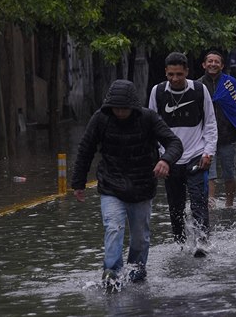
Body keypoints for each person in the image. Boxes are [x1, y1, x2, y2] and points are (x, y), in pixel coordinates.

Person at [71, 79, 183, 288]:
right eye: (116, 109)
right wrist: (78, 183)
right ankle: (111, 273)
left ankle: (137, 271)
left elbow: (174, 142)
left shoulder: (148, 118)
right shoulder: (100, 119)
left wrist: (165, 160)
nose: (120, 112)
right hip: (111, 185)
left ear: (133, 106)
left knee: (140, 237)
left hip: (142, 186)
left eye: (124, 109)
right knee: (113, 227)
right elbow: (85, 150)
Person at [148, 52, 217, 256]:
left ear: (186, 71)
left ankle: (202, 242)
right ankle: (180, 244)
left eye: (179, 74)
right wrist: (161, 157)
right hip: (170, 159)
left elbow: (210, 124)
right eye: (171, 74)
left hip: (197, 156)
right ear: (166, 73)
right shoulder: (157, 92)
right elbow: (152, 124)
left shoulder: (199, 90)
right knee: (175, 206)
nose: (175, 79)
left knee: (199, 201)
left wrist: (208, 152)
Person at [198, 50, 236, 207]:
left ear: (222, 65)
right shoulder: (198, 86)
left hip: (228, 136)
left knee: (229, 173)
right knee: (209, 173)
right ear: (204, 64)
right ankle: (210, 204)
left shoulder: (230, 84)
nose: (213, 64)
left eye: (217, 62)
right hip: (206, 138)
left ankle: (229, 205)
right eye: (210, 61)